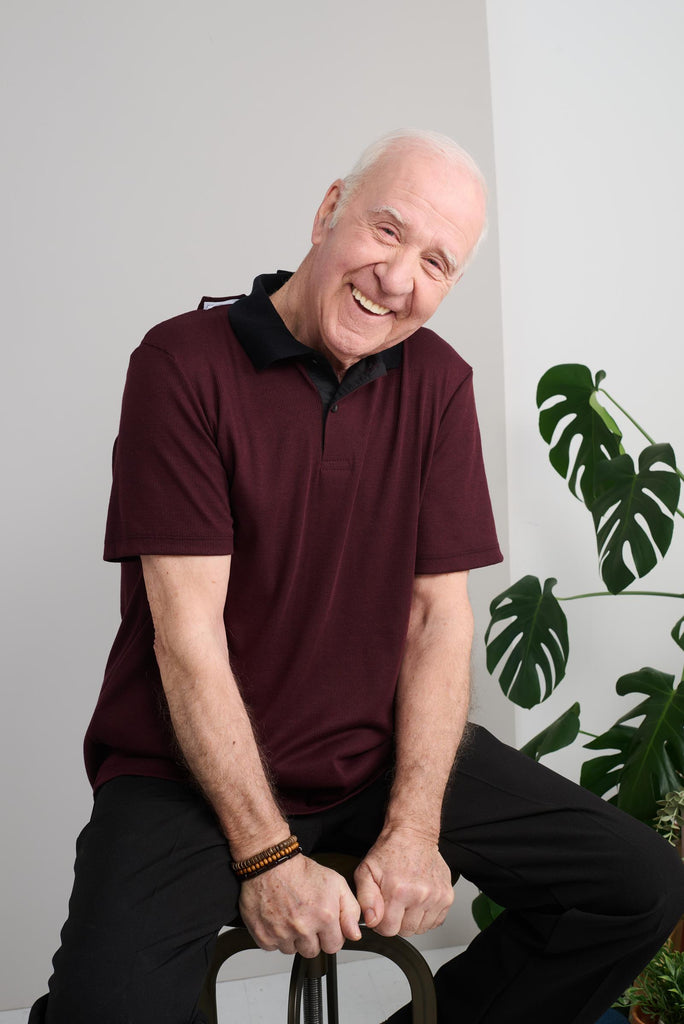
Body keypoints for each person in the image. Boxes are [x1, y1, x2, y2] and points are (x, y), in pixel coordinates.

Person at [30, 129, 684, 1024]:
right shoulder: (182, 364)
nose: (398, 277)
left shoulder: (439, 383)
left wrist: (414, 826)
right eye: (387, 230)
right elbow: (187, 635)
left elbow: (437, 619)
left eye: (437, 262)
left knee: (636, 887)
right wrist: (268, 856)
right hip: (184, 770)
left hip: (374, 757)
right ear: (328, 210)